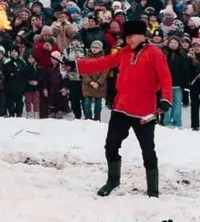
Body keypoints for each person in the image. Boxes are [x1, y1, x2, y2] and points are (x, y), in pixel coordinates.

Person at [72, 19, 172, 198]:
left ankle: (153, 189)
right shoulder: (124, 52)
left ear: (141, 35)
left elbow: (165, 77)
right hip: (121, 106)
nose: (128, 40)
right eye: (126, 37)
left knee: (148, 149)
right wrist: (78, 65)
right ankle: (113, 180)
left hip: (145, 109)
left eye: (131, 36)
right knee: (111, 145)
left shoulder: (155, 53)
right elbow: (104, 62)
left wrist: (166, 98)